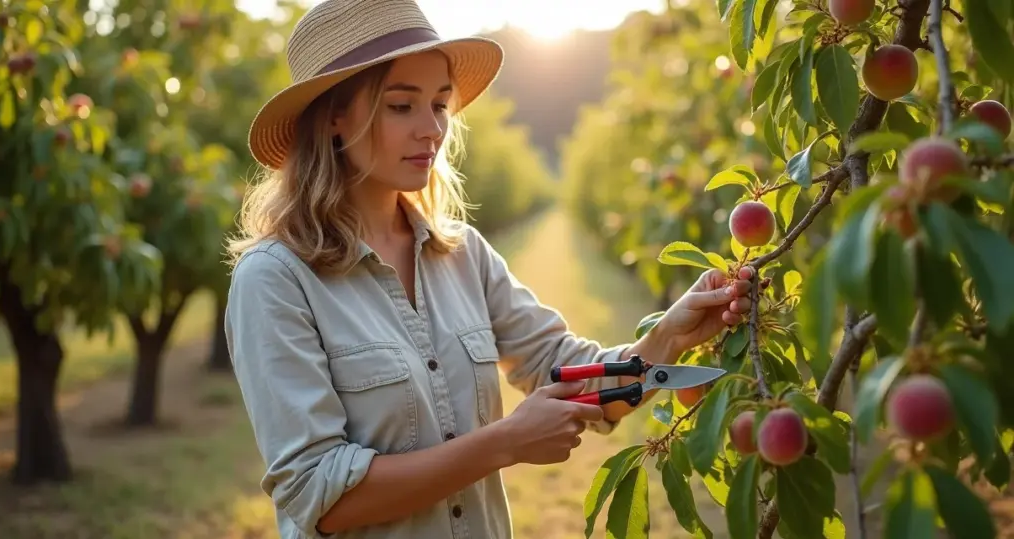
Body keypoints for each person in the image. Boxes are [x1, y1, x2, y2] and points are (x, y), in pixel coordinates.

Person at [222, 1, 754, 538]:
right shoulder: (277, 279)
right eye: (402, 106)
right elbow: (321, 495)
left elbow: (562, 368)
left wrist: (668, 336)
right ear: (334, 118)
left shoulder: (462, 255)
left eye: (440, 104)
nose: (432, 129)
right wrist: (503, 443)